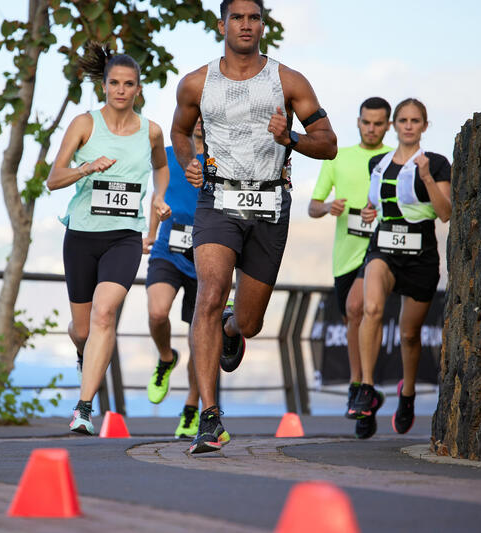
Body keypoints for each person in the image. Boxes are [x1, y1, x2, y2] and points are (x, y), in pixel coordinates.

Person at [171, 0, 337, 454]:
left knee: (250, 321)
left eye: (254, 18)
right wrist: (192, 162)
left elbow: (330, 145)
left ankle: (231, 329)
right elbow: (180, 133)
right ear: (221, 24)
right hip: (218, 200)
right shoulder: (197, 83)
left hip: (269, 204)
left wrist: (292, 139)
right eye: (238, 18)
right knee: (207, 294)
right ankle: (210, 417)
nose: (246, 25)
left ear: (264, 25)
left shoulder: (288, 81)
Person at [46, 42, 171, 435]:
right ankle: (85, 353)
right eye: (114, 83)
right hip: (82, 235)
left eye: (128, 84)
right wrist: (86, 168)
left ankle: (84, 408)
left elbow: (161, 167)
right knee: (82, 329)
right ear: (103, 87)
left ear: (138, 89)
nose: (121, 90)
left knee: (105, 313)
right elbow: (53, 179)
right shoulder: (85, 124)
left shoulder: (151, 131)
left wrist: (159, 198)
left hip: (125, 237)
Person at [348, 98, 451, 438]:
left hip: (420, 255)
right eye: (403, 120)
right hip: (384, 248)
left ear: (424, 125)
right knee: (371, 308)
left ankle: (406, 396)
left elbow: (446, 212)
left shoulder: (436, 163)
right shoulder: (378, 163)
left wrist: (425, 176)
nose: (408, 125)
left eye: (415, 120)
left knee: (409, 335)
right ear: (394, 125)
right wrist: (367, 212)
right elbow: (376, 202)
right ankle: (366, 387)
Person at [308, 97, 392, 439]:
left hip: (382, 252)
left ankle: (362, 389)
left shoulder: (394, 159)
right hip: (345, 255)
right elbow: (312, 206)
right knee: (352, 319)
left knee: (358, 308)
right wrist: (329, 206)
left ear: (387, 125)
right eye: (366, 122)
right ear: (358, 122)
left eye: (378, 123)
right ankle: (361, 390)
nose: (371, 128)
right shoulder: (338, 156)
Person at [143, 120, 205, 439]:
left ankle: (192, 409)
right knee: (157, 312)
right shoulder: (167, 155)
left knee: (200, 338)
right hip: (169, 249)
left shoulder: (221, 160)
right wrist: (151, 233)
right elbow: (158, 195)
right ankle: (166, 358)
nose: (198, 122)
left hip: (208, 258)